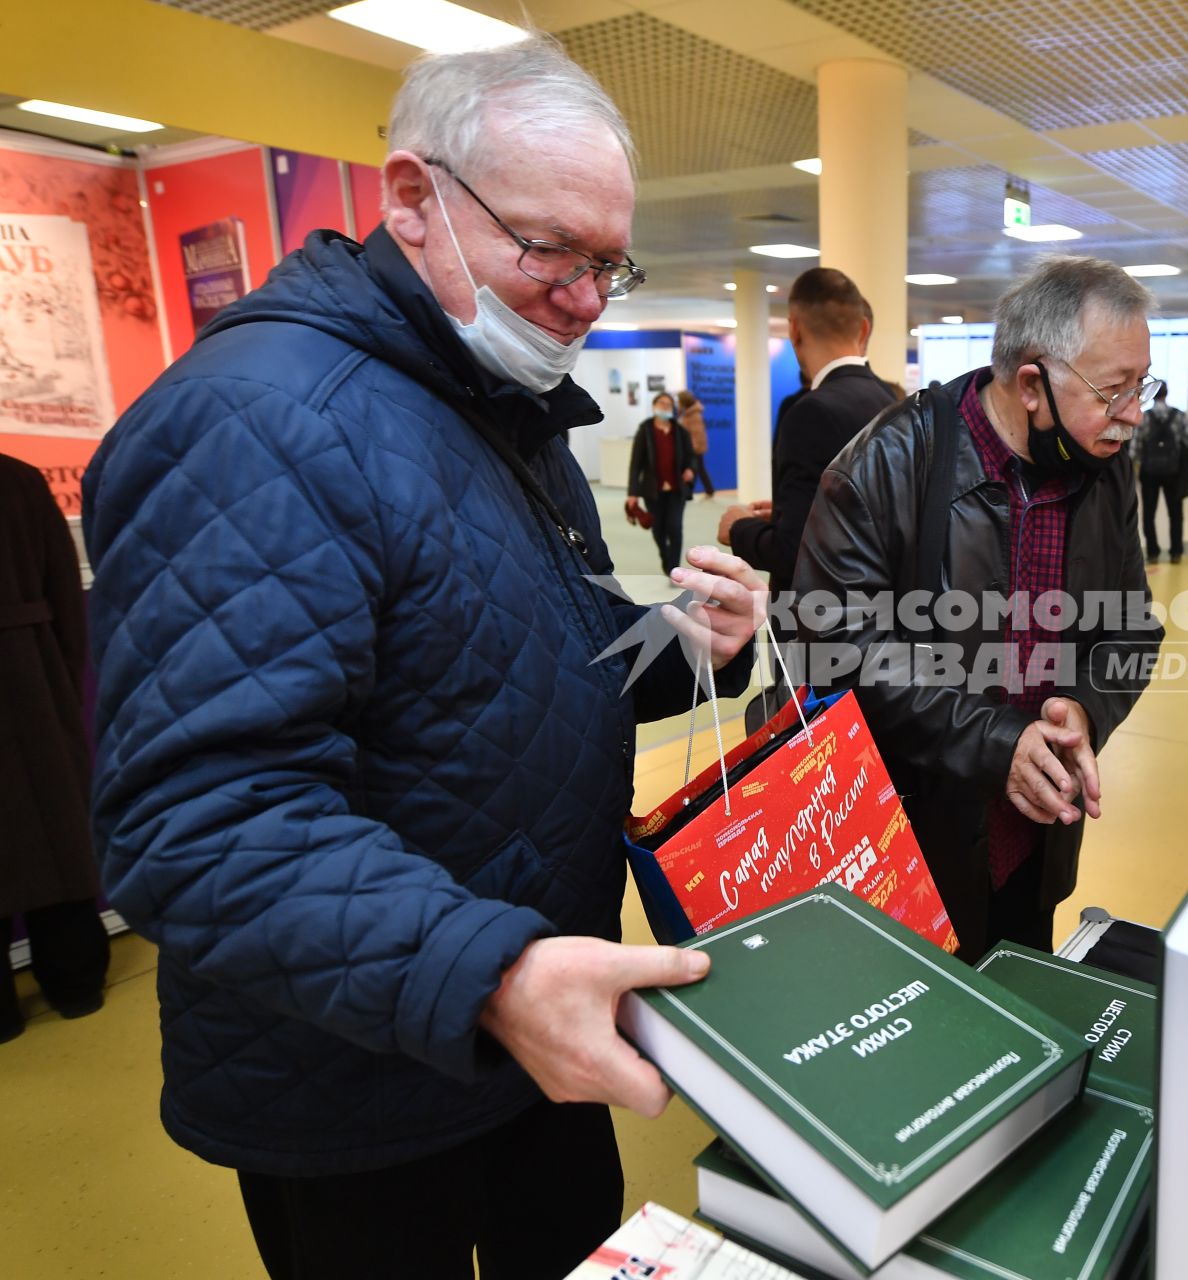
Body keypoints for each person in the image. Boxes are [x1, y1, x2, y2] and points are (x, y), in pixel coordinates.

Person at [82, 36, 766, 1280]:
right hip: (362, 1079)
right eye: (551, 249)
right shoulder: (264, 423)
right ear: (412, 199)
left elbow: (530, 655)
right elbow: (198, 819)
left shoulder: (498, 405)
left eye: (609, 261)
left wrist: (685, 643)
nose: (588, 297)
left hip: (535, 1026)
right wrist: (490, 973)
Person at [791, 255, 1164, 960]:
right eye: (1115, 391)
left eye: (1141, 387)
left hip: (1035, 841)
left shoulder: (1105, 469)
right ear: (1032, 384)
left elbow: (1131, 627)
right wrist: (1000, 742)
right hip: (911, 848)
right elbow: (842, 648)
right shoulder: (888, 464)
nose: (1134, 416)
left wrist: (1085, 706)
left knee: (1022, 1020)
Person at [0, 454, 110, 1043]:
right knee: (60, 843)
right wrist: (61, 677)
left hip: (33, 665)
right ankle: (76, 987)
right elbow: (64, 587)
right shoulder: (17, 478)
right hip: (30, 680)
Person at [719, 267, 896, 599]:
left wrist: (739, 528)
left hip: (817, 623)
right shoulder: (892, 400)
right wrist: (791, 511)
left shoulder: (809, 412)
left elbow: (795, 552)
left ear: (794, 329)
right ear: (863, 328)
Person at [626, 390, 697, 573]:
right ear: (654, 407)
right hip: (653, 490)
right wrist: (632, 493)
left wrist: (690, 469)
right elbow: (636, 464)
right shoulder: (645, 431)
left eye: (669, 405)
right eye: (662, 404)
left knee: (674, 526)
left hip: (676, 489)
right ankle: (665, 557)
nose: (665, 407)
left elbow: (691, 457)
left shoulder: (680, 432)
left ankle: (674, 568)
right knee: (658, 529)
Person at [1130, 383, 1188, 564]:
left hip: (1149, 472)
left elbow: (1134, 449)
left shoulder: (1144, 417)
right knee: (1175, 513)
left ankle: (1153, 553)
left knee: (1149, 513)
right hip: (1174, 471)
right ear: (1167, 394)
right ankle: (1176, 552)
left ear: (1153, 394)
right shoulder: (1179, 416)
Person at [678, 389, 717, 498]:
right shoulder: (688, 414)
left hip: (694, 448)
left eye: (679, 401)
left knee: (695, 469)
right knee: (698, 469)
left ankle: (699, 491)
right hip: (693, 448)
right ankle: (707, 490)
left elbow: (697, 434)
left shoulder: (693, 415)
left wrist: (691, 449)